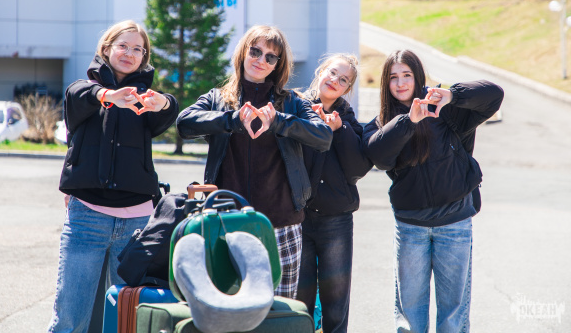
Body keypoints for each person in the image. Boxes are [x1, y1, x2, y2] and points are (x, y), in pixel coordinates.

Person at [176, 24, 333, 299]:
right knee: (228, 307)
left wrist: (280, 122)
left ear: (277, 65)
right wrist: (232, 120)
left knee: (280, 309)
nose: (261, 60)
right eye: (255, 51)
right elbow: (184, 123)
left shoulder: (292, 102)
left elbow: (323, 137)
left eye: (270, 57)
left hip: (282, 224)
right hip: (226, 221)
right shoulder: (218, 98)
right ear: (243, 53)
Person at [48, 20, 179, 333]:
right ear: (106, 49)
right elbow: (78, 95)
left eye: (138, 49)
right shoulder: (84, 91)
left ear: (144, 57)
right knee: (70, 319)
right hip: (87, 217)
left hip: (136, 222)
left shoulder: (145, 99)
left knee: (126, 320)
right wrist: (108, 95)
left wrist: (163, 102)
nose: (130, 53)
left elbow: (169, 111)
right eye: (123, 46)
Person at [362, 49, 504, 333]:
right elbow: (379, 156)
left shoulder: (446, 111)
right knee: (410, 316)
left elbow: (494, 95)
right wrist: (408, 121)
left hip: (454, 224)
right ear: (386, 83)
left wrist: (453, 95)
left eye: (407, 75)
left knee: (453, 316)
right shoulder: (381, 124)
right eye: (393, 77)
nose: (401, 83)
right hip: (411, 228)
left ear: (418, 77)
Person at [295, 54, 372, 333]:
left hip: (336, 220)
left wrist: (339, 130)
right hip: (298, 217)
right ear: (320, 71)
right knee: (299, 300)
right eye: (332, 72)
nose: (334, 81)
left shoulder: (349, 122)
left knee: (336, 302)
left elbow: (357, 169)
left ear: (347, 89)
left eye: (343, 80)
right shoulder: (295, 106)